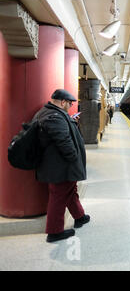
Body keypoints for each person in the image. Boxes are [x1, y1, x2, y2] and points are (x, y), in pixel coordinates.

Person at [32, 89, 90, 242]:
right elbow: (63, 140)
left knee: (70, 191)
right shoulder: (53, 116)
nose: (70, 106)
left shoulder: (50, 114)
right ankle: (54, 232)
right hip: (61, 166)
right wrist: (74, 157)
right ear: (63, 102)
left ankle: (80, 216)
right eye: (70, 104)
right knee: (59, 196)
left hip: (59, 165)